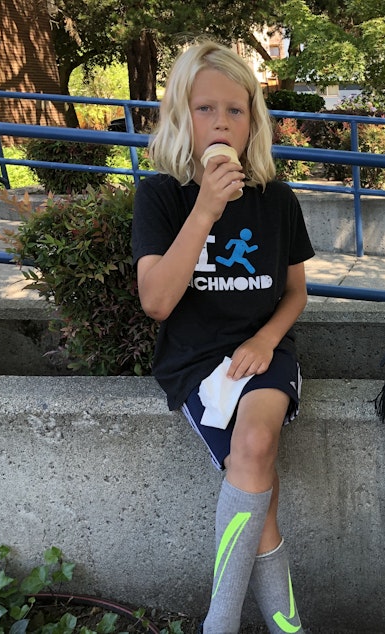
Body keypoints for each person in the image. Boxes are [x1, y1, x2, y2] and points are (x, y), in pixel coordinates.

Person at [131, 40, 314, 634]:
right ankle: (285, 625)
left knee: (255, 445)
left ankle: (220, 622)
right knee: (261, 496)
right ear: (183, 115)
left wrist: (265, 341)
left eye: (236, 110)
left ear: (252, 120)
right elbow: (157, 301)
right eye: (206, 108)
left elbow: (295, 293)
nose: (221, 122)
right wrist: (205, 210)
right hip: (194, 360)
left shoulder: (277, 198)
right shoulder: (162, 195)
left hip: (264, 351)